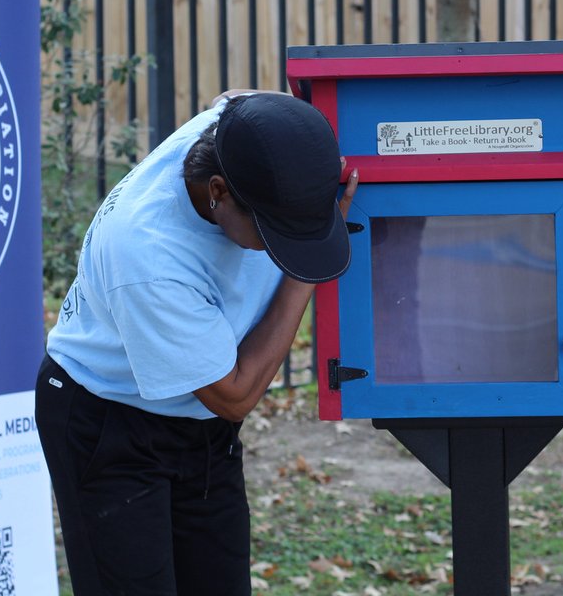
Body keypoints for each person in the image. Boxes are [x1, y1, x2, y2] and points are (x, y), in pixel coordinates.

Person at [35, 91, 357, 596]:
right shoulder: (147, 257)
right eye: (275, 237)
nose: (283, 249)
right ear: (218, 192)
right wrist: (305, 269)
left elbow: (244, 101)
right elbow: (235, 395)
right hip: (107, 420)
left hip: (198, 426)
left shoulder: (235, 130)